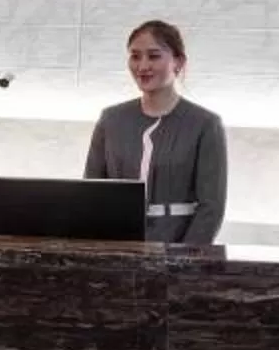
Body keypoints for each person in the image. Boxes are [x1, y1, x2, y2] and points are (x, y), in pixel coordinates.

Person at [82, 18, 227, 245]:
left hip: (177, 251)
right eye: (135, 56)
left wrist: (182, 260)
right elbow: (91, 195)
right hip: (116, 250)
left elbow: (211, 208)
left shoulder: (206, 124)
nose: (142, 66)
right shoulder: (110, 120)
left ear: (178, 62)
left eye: (154, 56)